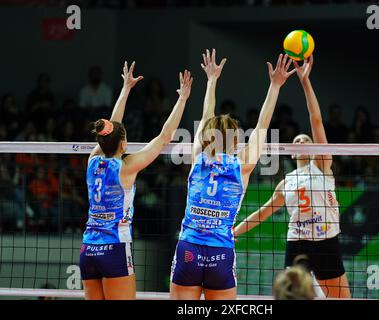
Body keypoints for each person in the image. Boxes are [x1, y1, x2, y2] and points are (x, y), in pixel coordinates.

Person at [170, 49, 295, 300]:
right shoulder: (243, 165)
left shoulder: (198, 158)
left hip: (189, 250)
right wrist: (275, 86)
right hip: (221, 253)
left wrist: (211, 81)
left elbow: (206, 116)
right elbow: (262, 125)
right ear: (236, 138)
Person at [234, 55, 351, 298]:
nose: (301, 142)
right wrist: (232, 232)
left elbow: (316, 121)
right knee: (292, 296)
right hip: (297, 242)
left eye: (305, 140)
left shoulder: (322, 165)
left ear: (313, 148)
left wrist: (305, 82)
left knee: (342, 298)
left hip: (327, 239)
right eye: (297, 141)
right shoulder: (286, 182)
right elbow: (263, 213)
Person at [80, 61, 192, 300]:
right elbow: (164, 137)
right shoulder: (127, 167)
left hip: (88, 248)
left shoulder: (92, 159)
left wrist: (125, 89)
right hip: (115, 249)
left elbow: (112, 127)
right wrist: (182, 99)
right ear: (123, 144)